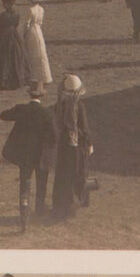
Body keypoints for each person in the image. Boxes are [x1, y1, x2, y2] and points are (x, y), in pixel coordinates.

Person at [0, 84, 56, 232]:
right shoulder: (47, 113)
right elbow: (53, 136)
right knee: (41, 183)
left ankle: (23, 213)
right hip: (40, 155)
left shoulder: (21, 109)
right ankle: (39, 210)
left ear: (30, 95)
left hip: (25, 155)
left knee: (24, 184)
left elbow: (3, 115)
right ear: (42, 96)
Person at [51, 73, 92, 219]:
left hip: (63, 147)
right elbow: (84, 128)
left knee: (62, 176)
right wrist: (88, 143)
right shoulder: (79, 106)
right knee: (78, 173)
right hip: (77, 146)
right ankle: (74, 205)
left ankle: (60, 206)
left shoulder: (59, 106)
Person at [0, 0, 27, 89]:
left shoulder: (2, 15)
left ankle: (4, 81)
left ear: (6, 3)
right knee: (15, 58)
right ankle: (16, 80)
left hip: (5, 37)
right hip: (15, 36)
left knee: (5, 59)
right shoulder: (17, 14)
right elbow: (16, 25)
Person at [22, 0, 52, 93]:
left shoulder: (30, 10)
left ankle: (34, 77)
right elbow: (41, 22)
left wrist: (24, 34)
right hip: (38, 30)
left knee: (32, 54)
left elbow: (26, 23)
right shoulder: (41, 9)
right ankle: (41, 76)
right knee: (40, 53)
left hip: (32, 30)